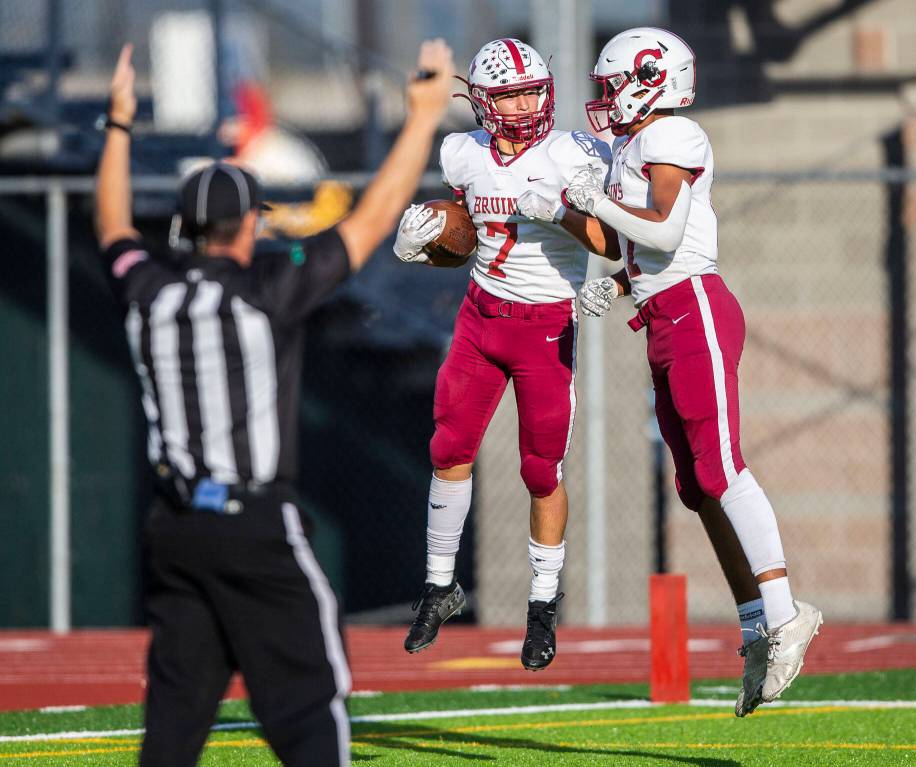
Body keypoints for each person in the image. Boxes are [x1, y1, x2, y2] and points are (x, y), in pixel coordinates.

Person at [93, 40, 455, 766]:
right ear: (249, 224)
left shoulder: (149, 294)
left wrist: (119, 125)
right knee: (311, 700)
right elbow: (373, 220)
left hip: (175, 528)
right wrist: (423, 119)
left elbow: (113, 230)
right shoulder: (267, 292)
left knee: (175, 714)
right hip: (255, 522)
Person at [517, 27, 823, 716]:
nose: (604, 99)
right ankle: (756, 625)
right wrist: (566, 216)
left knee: (721, 468)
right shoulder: (633, 145)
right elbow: (623, 244)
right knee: (694, 485)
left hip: (696, 309)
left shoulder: (672, 136)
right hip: (662, 314)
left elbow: (662, 231)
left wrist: (590, 201)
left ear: (650, 78)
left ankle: (787, 611)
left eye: (611, 84)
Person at [393, 38, 611, 671]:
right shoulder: (463, 154)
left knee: (540, 469)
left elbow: (606, 239)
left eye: (529, 92)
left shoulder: (572, 153)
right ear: (484, 103)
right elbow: (465, 234)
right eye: (509, 95)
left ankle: (542, 606)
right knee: (448, 446)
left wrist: (561, 211)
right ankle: (439, 586)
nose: (521, 106)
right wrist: (426, 241)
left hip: (546, 325)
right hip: (481, 316)